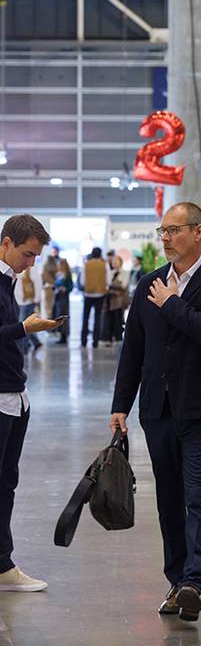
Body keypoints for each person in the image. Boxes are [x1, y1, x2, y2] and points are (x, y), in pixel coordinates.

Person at [110, 202, 201, 623]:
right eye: (162, 231)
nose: (164, 238)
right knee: (169, 499)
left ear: (197, 232)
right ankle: (176, 579)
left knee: (198, 495)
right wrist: (120, 406)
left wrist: (172, 304)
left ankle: (193, 582)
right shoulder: (149, 283)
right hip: (157, 412)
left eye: (173, 230)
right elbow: (133, 352)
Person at [0, 214, 61, 591]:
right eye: (27, 254)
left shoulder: (9, 281)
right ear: (6, 243)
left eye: (36, 256)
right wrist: (25, 328)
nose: (31, 263)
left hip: (13, 393)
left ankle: (2, 565)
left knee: (7, 482)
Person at [79, 246, 111, 348]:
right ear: (100, 254)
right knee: (97, 318)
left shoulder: (86, 265)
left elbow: (82, 281)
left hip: (88, 294)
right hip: (100, 294)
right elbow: (108, 281)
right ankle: (95, 342)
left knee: (85, 318)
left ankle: (83, 341)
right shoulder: (104, 265)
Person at [103, 256, 130, 344]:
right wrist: (114, 287)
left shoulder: (125, 273)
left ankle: (118, 338)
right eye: (113, 261)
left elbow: (123, 285)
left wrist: (112, 286)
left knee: (118, 319)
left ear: (121, 262)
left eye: (116, 261)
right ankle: (109, 338)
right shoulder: (110, 273)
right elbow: (106, 285)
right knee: (109, 319)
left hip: (120, 300)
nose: (114, 263)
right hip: (110, 299)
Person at [14, 270, 40, 357]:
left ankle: (23, 349)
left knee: (23, 325)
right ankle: (36, 342)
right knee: (22, 324)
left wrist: (37, 299)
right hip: (17, 301)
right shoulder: (14, 269)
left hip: (28, 301)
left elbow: (38, 283)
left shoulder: (31, 270)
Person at [40, 246, 69, 320]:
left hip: (61, 289)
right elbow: (45, 275)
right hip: (50, 288)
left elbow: (67, 274)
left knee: (60, 309)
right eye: (53, 251)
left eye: (55, 251)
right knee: (50, 309)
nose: (54, 253)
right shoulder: (47, 263)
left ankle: (60, 328)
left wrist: (63, 285)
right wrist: (53, 283)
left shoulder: (63, 261)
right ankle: (50, 327)